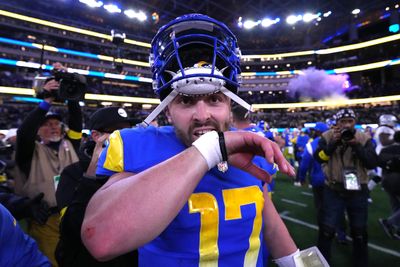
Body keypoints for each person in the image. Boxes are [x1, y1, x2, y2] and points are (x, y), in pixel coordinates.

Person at [80, 14, 321, 267]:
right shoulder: (135, 144)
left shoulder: (251, 148)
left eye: (215, 99)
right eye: (186, 100)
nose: (202, 115)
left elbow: (268, 224)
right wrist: (209, 150)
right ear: (167, 110)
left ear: (230, 107)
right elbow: (100, 239)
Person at [15, 63, 82, 266]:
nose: (52, 127)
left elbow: (77, 121)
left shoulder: (70, 143)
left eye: (55, 123)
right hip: (46, 221)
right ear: (38, 131)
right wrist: (46, 102)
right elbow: (24, 133)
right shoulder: (30, 151)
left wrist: (70, 91)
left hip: (73, 217)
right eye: (46, 124)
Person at [55, 107, 140, 267]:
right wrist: (94, 170)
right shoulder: (72, 173)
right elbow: (72, 227)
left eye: (128, 131)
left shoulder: (134, 169)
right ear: (96, 136)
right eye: (118, 132)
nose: (126, 137)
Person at [315, 108, 379, 267]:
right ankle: (323, 262)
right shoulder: (327, 136)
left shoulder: (364, 138)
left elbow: (372, 162)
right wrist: (332, 144)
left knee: (359, 232)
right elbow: (319, 157)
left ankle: (361, 263)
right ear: (337, 123)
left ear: (354, 122)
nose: (347, 125)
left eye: (350, 121)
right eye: (343, 121)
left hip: (358, 190)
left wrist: (356, 145)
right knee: (326, 230)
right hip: (333, 188)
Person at [378, 130, 400, 239]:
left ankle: (397, 229)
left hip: (386, 181)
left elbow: (380, 163)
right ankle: (388, 223)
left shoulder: (385, 149)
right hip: (397, 181)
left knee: (396, 206)